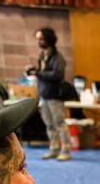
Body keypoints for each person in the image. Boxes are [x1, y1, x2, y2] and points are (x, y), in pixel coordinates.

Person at [25, 27, 71, 161]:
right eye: (37, 39)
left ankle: (66, 150)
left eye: (41, 39)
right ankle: (54, 148)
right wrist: (34, 70)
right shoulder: (42, 56)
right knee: (49, 124)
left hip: (55, 96)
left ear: (48, 40)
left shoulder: (57, 57)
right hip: (44, 95)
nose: (38, 41)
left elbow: (57, 74)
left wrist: (38, 73)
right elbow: (43, 72)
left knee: (59, 124)